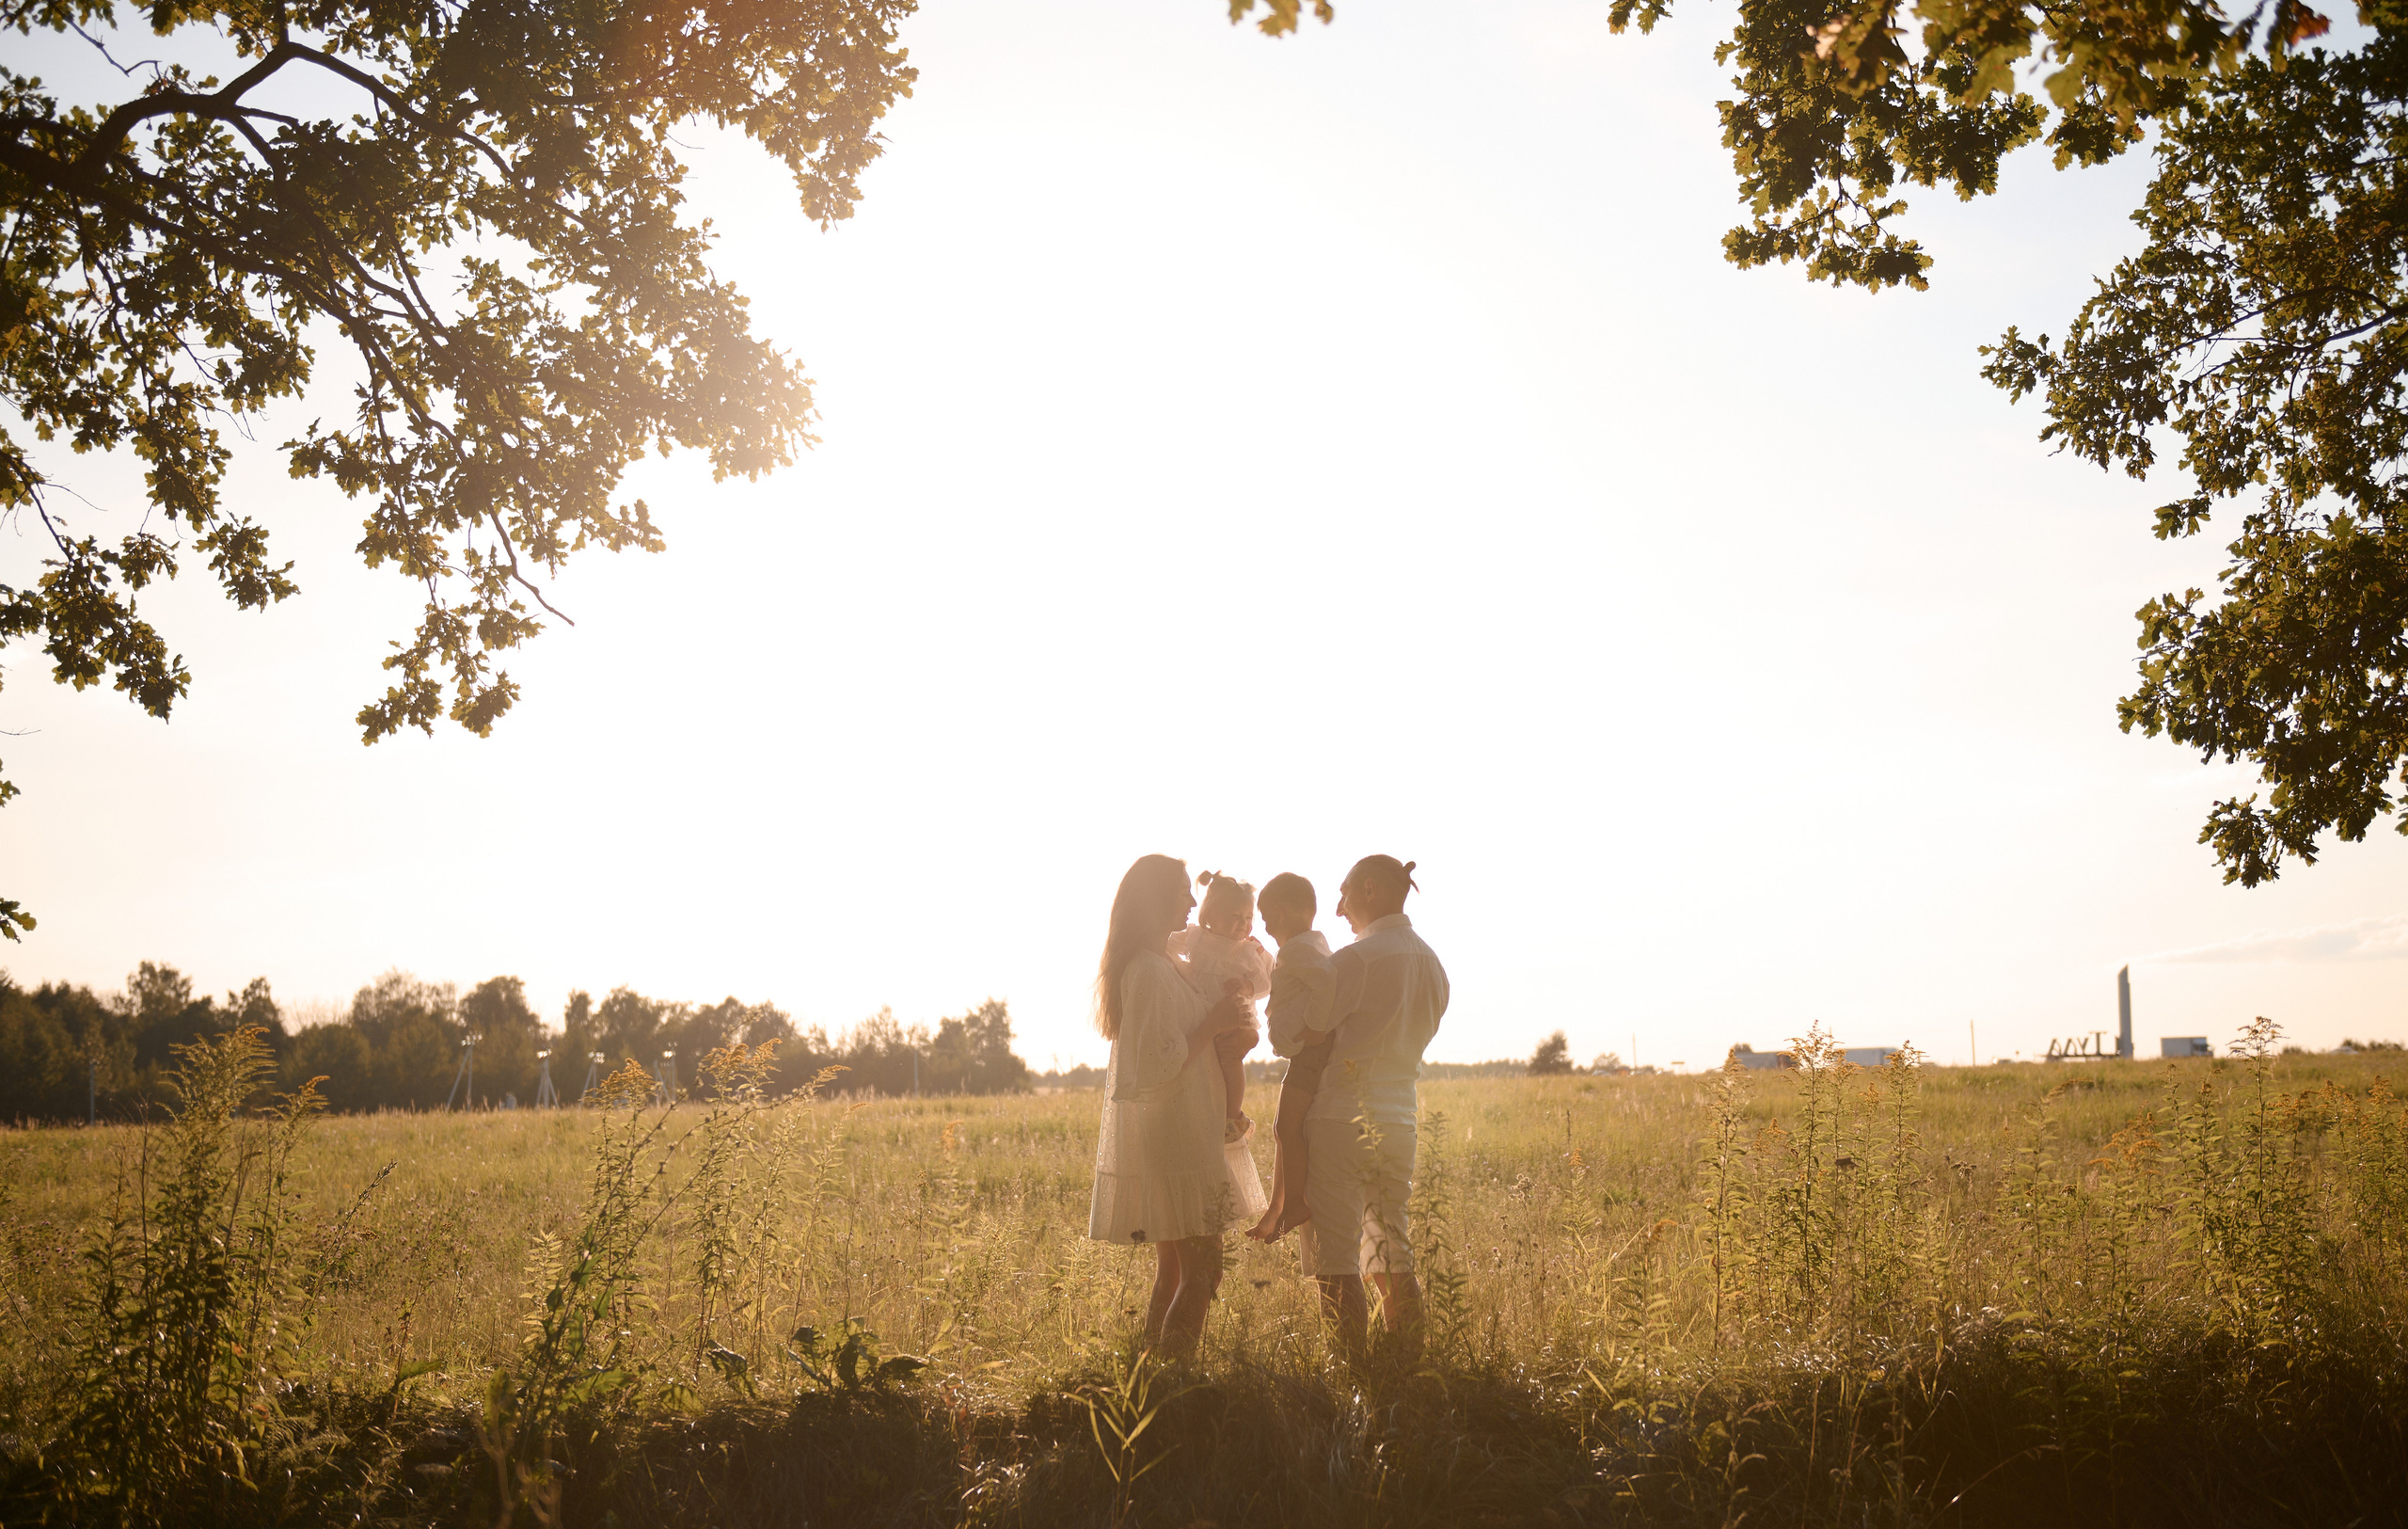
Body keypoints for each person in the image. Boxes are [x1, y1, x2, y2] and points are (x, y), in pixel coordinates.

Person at [1086, 853, 1269, 1358]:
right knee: (1204, 1267)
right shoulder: (1147, 970)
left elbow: (1200, 1032)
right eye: (1184, 892)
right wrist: (1212, 1024)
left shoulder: (1169, 962)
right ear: (1155, 900)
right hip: (1176, 1135)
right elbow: (1154, 1065)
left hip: (1188, 1127)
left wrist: (1234, 1034)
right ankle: (1175, 1377)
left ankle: (1150, 1371)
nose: (1193, 901)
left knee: (1175, 1267)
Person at [1291, 855, 1448, 1358]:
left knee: (1336, 1259)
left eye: (1344, 894)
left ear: (1372, 890)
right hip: (1400, 1120)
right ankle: (1406, 1368)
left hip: (1340, 1117)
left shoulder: (1354, 961)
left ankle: (1351, 1374)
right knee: (1391, 1251)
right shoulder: (1433, 967)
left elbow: (1308, 1032)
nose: (1337, 910)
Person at [1248, 871, 1333, 1243]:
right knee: (1284, 1129)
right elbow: (1291, 981)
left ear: (1279, 913)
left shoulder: (1299, 949)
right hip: (1306, 1056)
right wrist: (1265, 957)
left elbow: (1325, 981)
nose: (1266, 927)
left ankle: (1293, 1204)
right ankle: (1279, 1206)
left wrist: (1315, 1027)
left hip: (1310, 1055)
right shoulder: (1304, 948)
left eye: (1266, 919)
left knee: (1286, 1128)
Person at [1167, 871, 1274, 1145]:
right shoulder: (1195, 937)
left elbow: (1264, 983)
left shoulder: (1247, 951)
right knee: (1203, 1066)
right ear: (1210, 915)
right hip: (1200, 1014)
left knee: (1230, 1060)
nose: (1243, 924)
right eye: (1234, 916)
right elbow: (1166, 943)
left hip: (1234, 1017)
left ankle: (1232, 1115)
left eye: (1248, 918)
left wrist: (1247, 986)